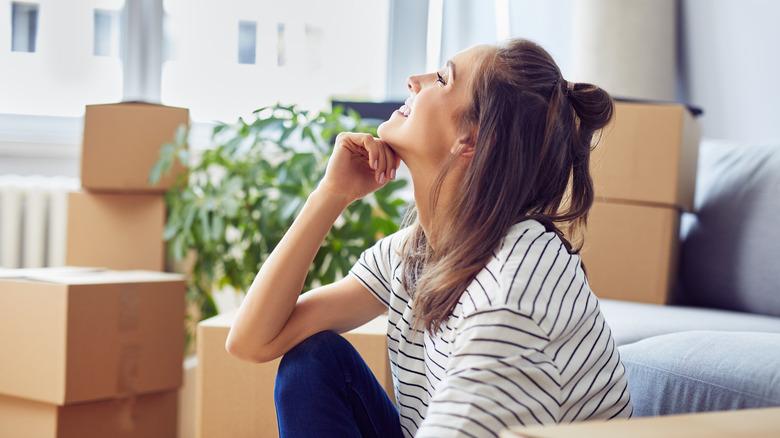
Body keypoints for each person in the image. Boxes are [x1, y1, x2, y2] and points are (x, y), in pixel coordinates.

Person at [226, 38, 633, 437]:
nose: (413, 80)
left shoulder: (515, 289)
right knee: (313, 360)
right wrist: (331, 195)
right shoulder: (417, 251)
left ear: (472, 140)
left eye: (442, 79)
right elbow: (252, 342)